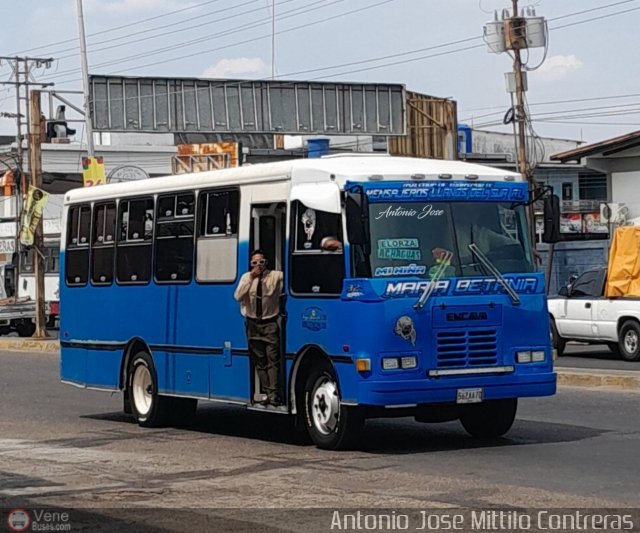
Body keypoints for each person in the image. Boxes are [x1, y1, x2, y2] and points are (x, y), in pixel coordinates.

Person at [234, 250, 284, 406]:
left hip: (270, 322)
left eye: (261, 262)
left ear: (266, 263)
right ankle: (268, 392)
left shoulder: (275, 276)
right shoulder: (246, 277)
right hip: (252, 323)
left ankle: (274, 394)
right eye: (254, 263)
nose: (258, 266)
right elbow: (238, 296)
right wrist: (251, 278)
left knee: (272, 359)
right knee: (259, 361)